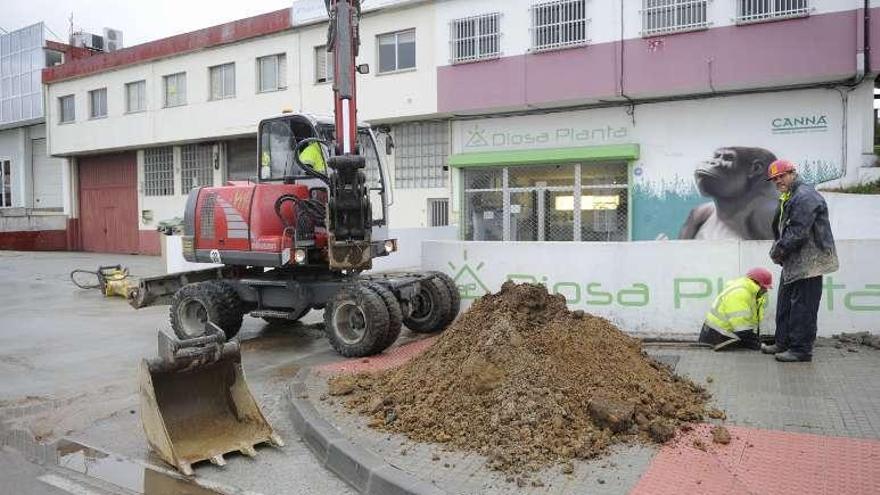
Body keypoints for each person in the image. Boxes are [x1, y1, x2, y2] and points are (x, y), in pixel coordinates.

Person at [761, 160, 839, 362]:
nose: (778, 181)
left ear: (793, 173)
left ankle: (801, 350)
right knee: (786, 303)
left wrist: (778, 251)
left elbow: (797, 232)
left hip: (809, 263)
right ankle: (783, 342)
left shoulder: (804, 196)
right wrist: (781, 252)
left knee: (803, 307)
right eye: (774, 179)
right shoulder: (791, 196)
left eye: (782, 176)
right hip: (794, 261)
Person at [699, 268, 772, 351]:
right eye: (764, 287)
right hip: (716, 339)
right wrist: (760, 346)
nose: (766, 290)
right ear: (757, 283)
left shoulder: (749, 292)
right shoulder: (740, 293)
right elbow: (742, 329)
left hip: (720, 335)